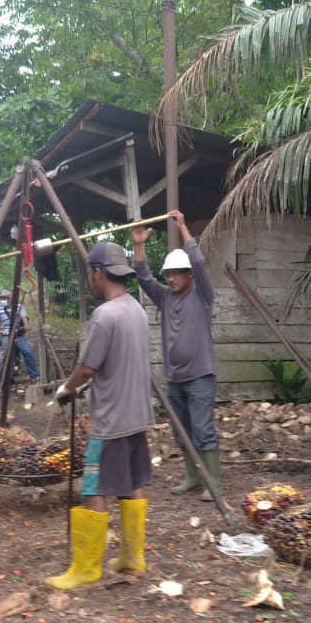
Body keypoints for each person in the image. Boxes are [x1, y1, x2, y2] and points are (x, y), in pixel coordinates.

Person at [48, 241, 153, 590]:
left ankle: (87, 567)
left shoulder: (105, 316)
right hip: (137, 414)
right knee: (131, 483)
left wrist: (66, 389)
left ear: (96, 273)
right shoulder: (136, 308)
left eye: (89, 275)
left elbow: (87, 368)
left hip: (110, 420)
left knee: (93, 486)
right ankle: (132, 557)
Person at [131, 209, 221, 501]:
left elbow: (198, 260)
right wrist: (139, 245)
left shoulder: (202, 295)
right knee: (181, 431)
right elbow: (144, 279)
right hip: (176, 378)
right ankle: (193, 477)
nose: (170, 279)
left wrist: (183, 227)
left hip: (200, 376)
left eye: (175, 274)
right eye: (168, 275)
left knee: (203, 428)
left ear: (189, 275)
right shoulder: (166, 298)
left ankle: (213, 483)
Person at [0, 289, 40, 383]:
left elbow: (26, 324)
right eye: (2, 298)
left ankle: (34, 376)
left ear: (11, 299)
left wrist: (21, 329)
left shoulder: (19, 307)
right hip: (3, 333)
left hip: (16, 334)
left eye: (6, 298)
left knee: (28, 352)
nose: (3, 300)